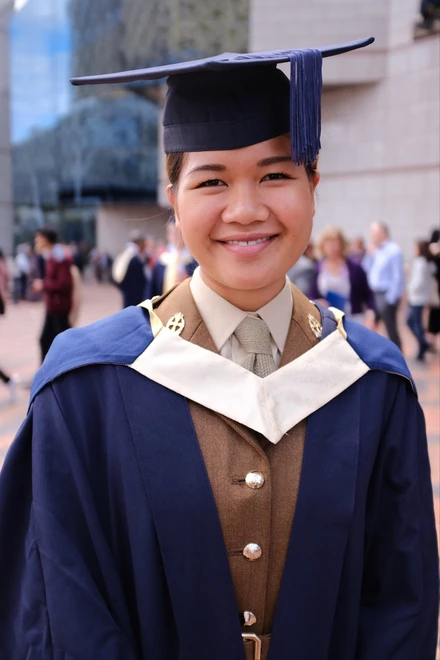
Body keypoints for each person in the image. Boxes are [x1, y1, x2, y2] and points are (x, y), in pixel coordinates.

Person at [0, 38, 438, 660]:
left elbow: (402, 610)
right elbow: (63, 612)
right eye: (211, 180)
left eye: (276, 174)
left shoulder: (372, 383)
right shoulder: (83, 389)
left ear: (314, 183)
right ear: (173, 197)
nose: (246, 208)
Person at [310, 226, 375, 323]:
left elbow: (368, 295)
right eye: (328, 242)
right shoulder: (318, 267)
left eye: (335, 242)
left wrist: (371, 314)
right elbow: (311, 295)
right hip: (328, 320)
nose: (331, 246)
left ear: (341, 244)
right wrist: (317, 302)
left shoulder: (354, 267)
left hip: (353, 319)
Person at [32, 227, 73, 362]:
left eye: (38, 238)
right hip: (54, 306)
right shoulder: (52, 255)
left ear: (45, 239)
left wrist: (43, 285)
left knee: (61, 342)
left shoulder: (59, 256)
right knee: (47, 340)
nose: (36, 241)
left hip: (59, 307)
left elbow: (64, 284)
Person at [364, 221, 405, 349]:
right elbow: (366, 269)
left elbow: (398, 276)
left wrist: (390, 299)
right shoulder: (376, 250)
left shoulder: (394, 250)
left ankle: (398, 353)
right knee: (371, 326)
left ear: (382, 232)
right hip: (374, 294)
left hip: (386, 294)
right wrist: (369, 255)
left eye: (373, 232)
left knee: (390, 328)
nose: (371, 236)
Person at [147, 219, 197, 298]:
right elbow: (152, 291)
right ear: (168, 235)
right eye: (172, 233)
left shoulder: (195, 261)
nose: (175, 236)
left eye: (178, 232)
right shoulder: (162, 261)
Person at [406, 240, 435, 361]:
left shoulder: (421, 262)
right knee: (415, 322)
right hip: (421, 297)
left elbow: (418, 281)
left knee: (413, 322)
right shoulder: (427, 262)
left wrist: (410, 289)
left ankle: (423, 344)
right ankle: (423, 344)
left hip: (417, 297)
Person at [112, 230, 149, 308]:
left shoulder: (125, 253)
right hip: (134, 295)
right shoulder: (135, 258)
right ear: (139, 242)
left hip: (127, 291)